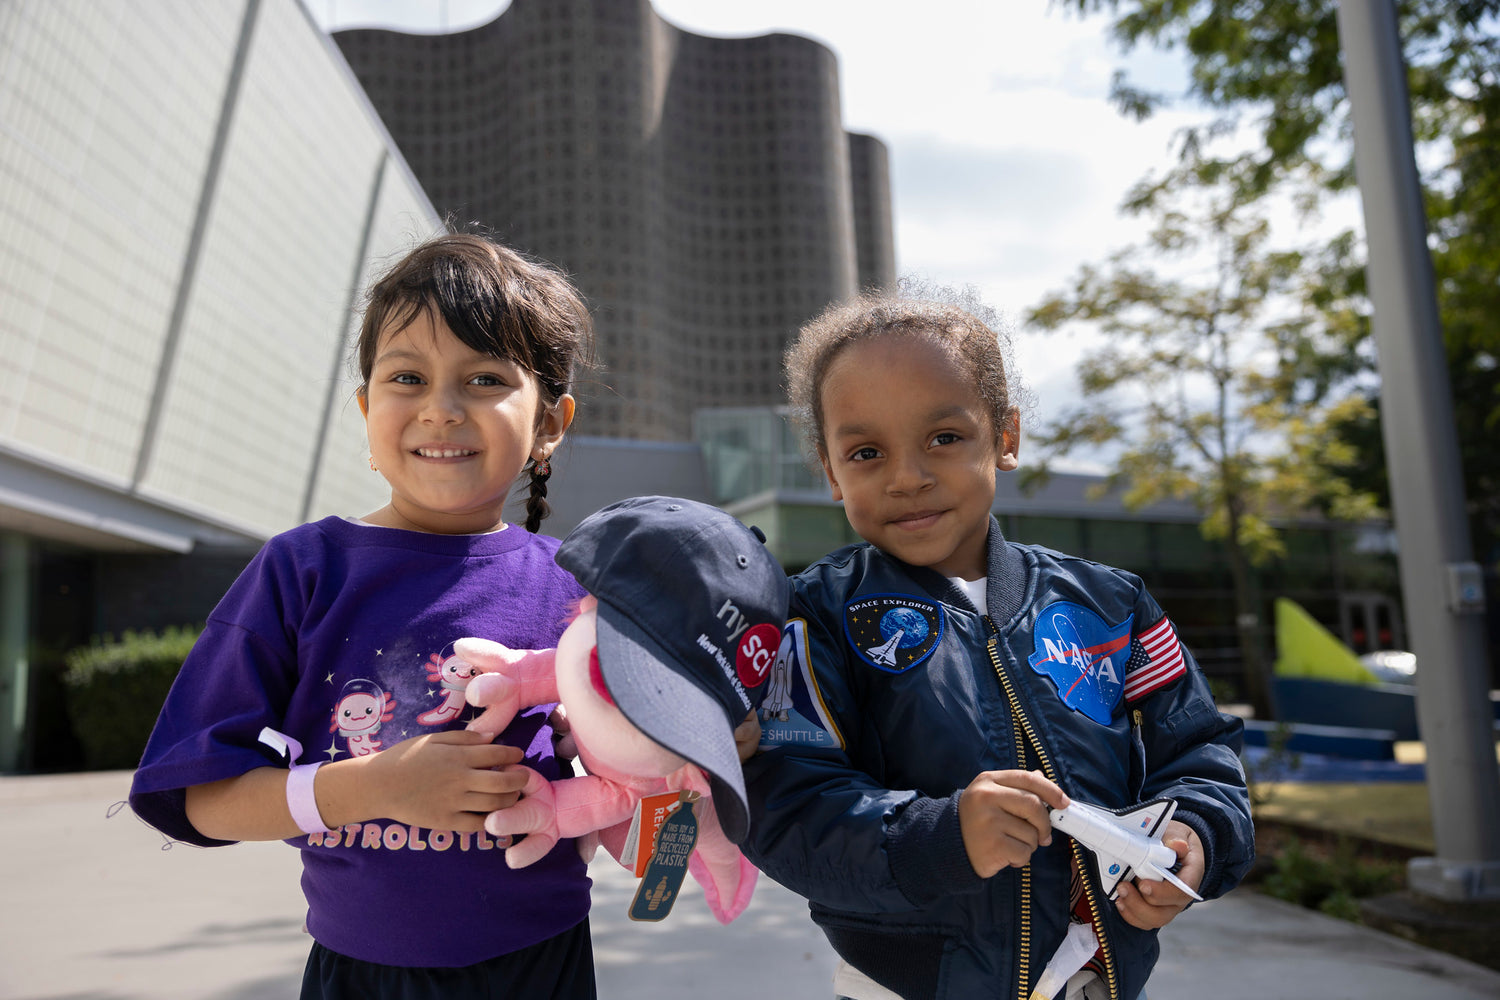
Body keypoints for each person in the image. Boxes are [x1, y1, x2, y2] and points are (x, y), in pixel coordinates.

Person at [741, 292, 1254, 1000]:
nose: (907, 476)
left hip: (1095, 980)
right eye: (866, 452)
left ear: (1004, 437)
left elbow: (1200, 756)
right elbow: (786, 804)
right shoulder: (814, 615)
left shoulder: (1112, 604)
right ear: (831, 471)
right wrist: (940, 835)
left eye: (944, 438)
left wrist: (1195, 838)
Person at [129, 232, 600, 999]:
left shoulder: (578, 589)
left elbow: (641, 783)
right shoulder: (301, 572)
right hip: (361, 975)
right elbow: (198, 800)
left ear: (550, 422)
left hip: (543, 964)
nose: (440, 410)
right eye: (408, 377)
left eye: (484, 378)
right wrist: (374, 785)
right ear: (366, 407)